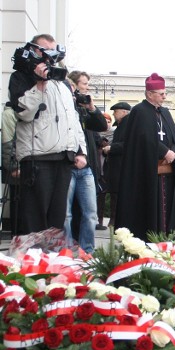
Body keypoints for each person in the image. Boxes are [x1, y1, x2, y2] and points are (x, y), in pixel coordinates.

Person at [8, 34, 87, 236]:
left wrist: (80, 150)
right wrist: (39, 84)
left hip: (63, 158)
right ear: (34, 50)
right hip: (38, 158)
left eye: (53, 52)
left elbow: (73, 119)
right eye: (45, 51)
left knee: (57, 220)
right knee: (35, 218)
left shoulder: (62, 84)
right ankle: (32, 263)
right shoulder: (21, 77)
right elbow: (24, 112)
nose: (50, 58)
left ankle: (51, 261)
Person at [115, 73, 175, 240]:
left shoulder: (165, 112)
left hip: (167, 170)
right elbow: (143, 138)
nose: (165, 97)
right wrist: (164, 151)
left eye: (165, 93)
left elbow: (174, 136)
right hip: (147, 171)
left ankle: (166, 235)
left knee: (167, 208)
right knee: (150, 207)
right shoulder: (139, 112)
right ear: (150, 94)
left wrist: (172, 150)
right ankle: (150, 238)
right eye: (161, 93)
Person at [65, 70, 108, 253]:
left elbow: (101, 126)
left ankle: (87, 252)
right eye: (84, 84)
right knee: (66, 214)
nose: (87, 88)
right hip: (67, 164)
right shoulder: (65, 105)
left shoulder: (83, 107)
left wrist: (91, 107)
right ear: (73, 86)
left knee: (90, 213)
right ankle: (65, 250)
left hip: (87, 167)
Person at [102, 102, 131, 227]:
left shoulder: (128, 125)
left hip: (122, 166)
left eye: (116, 111)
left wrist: (111, 148)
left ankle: (116, 221)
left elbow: (128, 144)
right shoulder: (120, 126)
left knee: (118, 194)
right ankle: (114, 220)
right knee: (114, 193)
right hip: (116, 166)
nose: (114, 114)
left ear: (124, 112)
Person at [1, 103, 19, 235]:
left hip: (25, 164)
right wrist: (12, 167)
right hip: (16, 166)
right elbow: (7, 142)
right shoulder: (9, 113)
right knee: (17, 201)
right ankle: (16, 233)